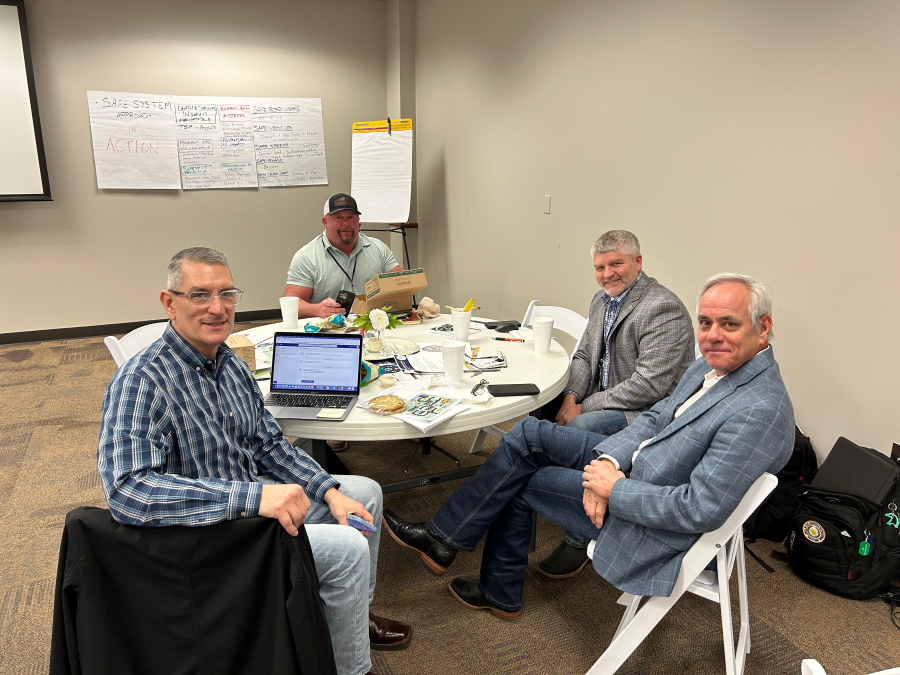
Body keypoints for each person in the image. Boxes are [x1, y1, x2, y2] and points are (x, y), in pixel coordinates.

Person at [382, 273, 794, 621]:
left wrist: (613, 488)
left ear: (763, 326)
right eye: (705, 323)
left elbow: (697, 508)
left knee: (523, 477)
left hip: (649, 517)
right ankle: (442, 538)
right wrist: (611, 460)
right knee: (528, 433)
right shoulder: (711, 365)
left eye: (728, 323)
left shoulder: (760, 410)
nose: (712, 335)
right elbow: (655, 417)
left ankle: (496, 588)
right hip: (634, 465)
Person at [98, 247, 410, 675]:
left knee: (362, 493)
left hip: (247, 505)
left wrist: (327, 490)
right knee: (347, 549)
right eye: (199, 295)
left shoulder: (229, 364)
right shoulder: (141, 381)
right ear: (169, 303)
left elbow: (268, 445)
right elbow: (127, 490)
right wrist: (253, 498)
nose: (216, 308)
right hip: (203, 534)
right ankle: (349, 668)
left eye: (227, 294)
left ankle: (350, 614)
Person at [538, 230, 695, 579]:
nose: (607, 273)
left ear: (638, 262)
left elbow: (649, 385)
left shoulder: (662, 307)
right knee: (540, 408)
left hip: (646, 413)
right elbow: (582, 357)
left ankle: (579, 538)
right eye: (599, 267)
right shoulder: (601, 300)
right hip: (604, 397)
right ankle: (546, 494)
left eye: (616, 264)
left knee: (579, 428)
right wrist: (569, 398)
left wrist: (584, 407)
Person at [283, 193, 403, 320]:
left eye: (351, 217)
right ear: (325, 222)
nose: (346, 223)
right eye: (339, 217)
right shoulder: (307, 257)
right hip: (331, 331)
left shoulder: (378, 248)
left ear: (358, 221)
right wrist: (317, 309)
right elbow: (290, 305)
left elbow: (401, 284)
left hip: (373, 326)